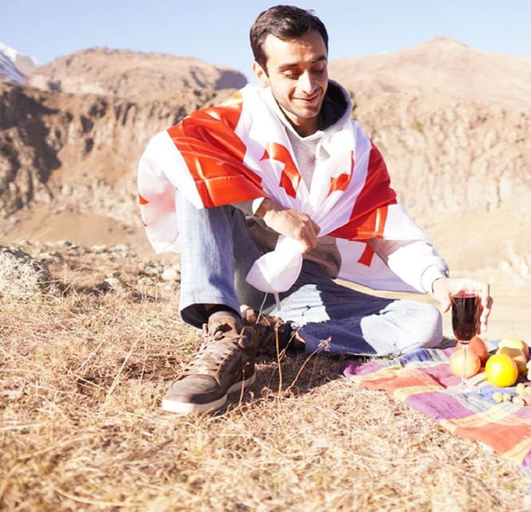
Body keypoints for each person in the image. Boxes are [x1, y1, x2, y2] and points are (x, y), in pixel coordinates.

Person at [138, 5, 493, 415]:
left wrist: (437, 283)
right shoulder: (236, 122)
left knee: (423, 325)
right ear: (261, 73)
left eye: (318, 68)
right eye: (290, 72)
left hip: (304, 288)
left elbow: (386, 228)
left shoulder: (354, 151)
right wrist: (267, 208)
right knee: (196, 173)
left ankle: (277, 337)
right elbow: (170, 150)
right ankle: (222, 329)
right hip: (238, 264)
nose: (309, 85)